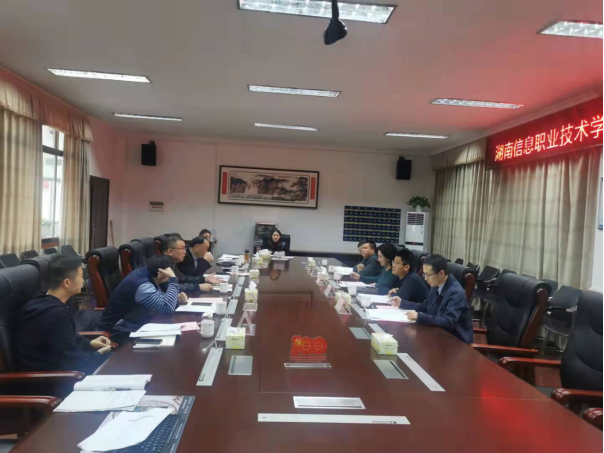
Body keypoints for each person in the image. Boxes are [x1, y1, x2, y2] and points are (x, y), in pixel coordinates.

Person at [12, 255, 112, 374]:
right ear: (67, 283)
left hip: (53, 372)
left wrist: (89, 344)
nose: (83, 280)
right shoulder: (57, 315)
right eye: (81, 276)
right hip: (51, 379)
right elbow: (72, 362)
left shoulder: (43, 302)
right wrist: (99, 355)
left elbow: (64, 340)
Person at [393, 254, 474, 344]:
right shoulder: (436, 284)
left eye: (428, 275)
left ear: (441, 273)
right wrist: (402, 303)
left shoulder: (456, 293)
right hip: (437, 335)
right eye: (424, 274)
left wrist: (420, 316)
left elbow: (448, 322)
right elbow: (425, 306)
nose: (425, 279)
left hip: (456, 341)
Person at [97, 255, 188, 333]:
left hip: (135, 321)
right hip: (117, 330)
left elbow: (160, 299)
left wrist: (175, 298)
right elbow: (167, 308)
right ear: (163, 274)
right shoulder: (143, 286)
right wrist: (173, 279)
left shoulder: (146, 271)